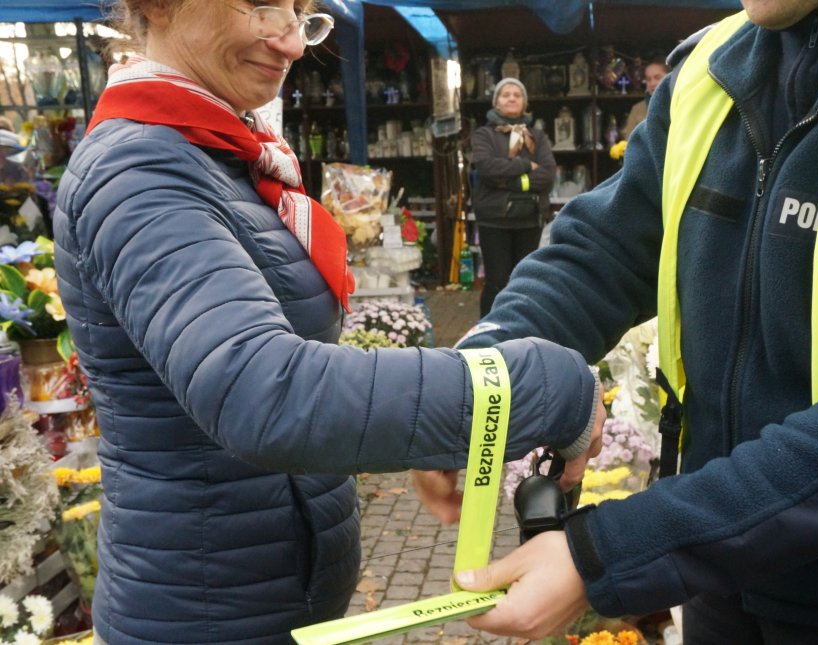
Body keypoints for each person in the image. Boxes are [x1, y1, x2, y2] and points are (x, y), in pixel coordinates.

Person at [51, 1, 603, 643]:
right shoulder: (141, 171)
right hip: (203, 611)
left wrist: (441, 429)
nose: (291, 42)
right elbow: (263, 389)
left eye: (303, 14)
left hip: (262, 593)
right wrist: (543, 387)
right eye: (262, 6)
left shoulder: (217, 152)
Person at [423, 0, 818, 642]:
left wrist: (611, 553)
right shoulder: (711, 65)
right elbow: (605, 249)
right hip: (720, 588)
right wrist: (481, 375)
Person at [470, 77, 556, 315]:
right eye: (505, 94)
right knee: (496, 282)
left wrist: (510, 181)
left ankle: (522, 331)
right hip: (494, 219)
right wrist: (526, 166)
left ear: (524, 102)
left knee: (524, 282)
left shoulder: (537, 137)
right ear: (496, 102)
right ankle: (489, 332)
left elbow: (548, 174)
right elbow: (487, 169)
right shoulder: (483, 135)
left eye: (517, 95)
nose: (511, 98)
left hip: (529, 218)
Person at [620, 55, 668, 140]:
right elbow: (630, 145)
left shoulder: (680, 105)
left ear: (669, 78)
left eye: (657, 78)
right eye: (648, 79)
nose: (652, 83)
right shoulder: (637, 109)